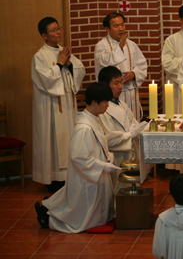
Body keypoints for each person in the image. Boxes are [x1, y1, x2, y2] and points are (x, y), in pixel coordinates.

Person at [34, 82, 121, 233]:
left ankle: (49, 209)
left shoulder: (94, 118)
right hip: (87, 179)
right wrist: (102, 166)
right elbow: (78, 157)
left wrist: (108, 156)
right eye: (105, 101)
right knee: (84, 218)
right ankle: (49, 219)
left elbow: (99, 144)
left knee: (98, 215)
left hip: (96, 175)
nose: (108, 105)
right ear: (94, 102)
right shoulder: (84, 128)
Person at [31, 17, 85, 193]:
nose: (58, 32)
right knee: (52, 141)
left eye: (58, 28)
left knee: (68, 138)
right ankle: (53, 180)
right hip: (50, 106)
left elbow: (80, 69)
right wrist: (61, 64)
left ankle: (70, 176)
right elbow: (46, 80)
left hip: (67, 106)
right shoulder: (39, 56)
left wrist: (69, 64)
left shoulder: (64, 51)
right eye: (53, 30)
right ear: (44, 35)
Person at [98, 66, 148, 192]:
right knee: (117, 192)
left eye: (121, 82)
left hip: (129, 154)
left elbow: (134, 125)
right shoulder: (101, 110)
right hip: (116, 158)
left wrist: (138, 128)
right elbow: (107, 140)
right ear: (105, 85)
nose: (120, 86)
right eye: (116, 83)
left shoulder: (122, 104)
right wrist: (129, 135)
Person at [94, 12, 147, 121]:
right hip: (112, 95)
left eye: (122, 25)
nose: (121, 29)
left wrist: (134, 74)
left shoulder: (131, 44)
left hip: (130, 92)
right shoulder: (101, 46)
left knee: (132, 123)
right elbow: (104, 63)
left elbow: (142, 64)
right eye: (116, 26)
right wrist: (119, 48)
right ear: (107, 29)